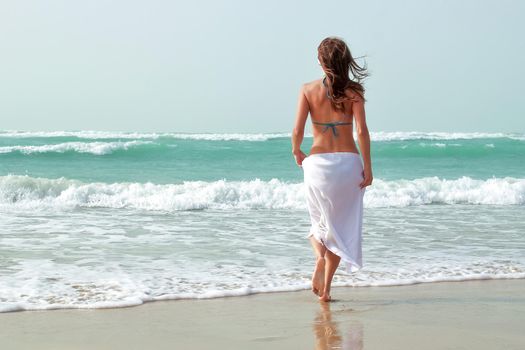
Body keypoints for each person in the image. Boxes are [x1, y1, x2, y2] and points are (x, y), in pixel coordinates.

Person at [291, 36, 373, 302]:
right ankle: (326, 290)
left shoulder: (307, 89)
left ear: (321, 61)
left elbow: (297, 130)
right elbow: (361, 131)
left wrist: (296, 151)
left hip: (317, 165)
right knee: (342, 227)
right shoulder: (355, 92)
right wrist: (368, 167)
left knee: (319, 225)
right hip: (348, 164)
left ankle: (319, 259)